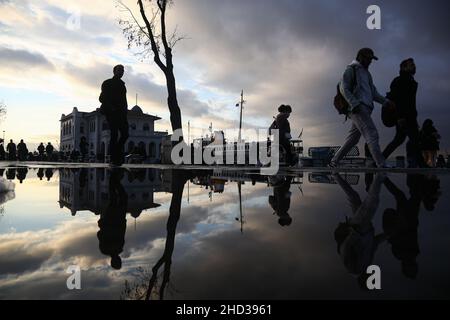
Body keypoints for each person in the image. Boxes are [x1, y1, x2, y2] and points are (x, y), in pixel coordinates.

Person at [329, 48, 393, 168]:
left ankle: (334, 161)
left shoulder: (367, 74)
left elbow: (373, 93)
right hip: (358, 108)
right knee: (372, 133)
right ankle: (381, 164)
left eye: (371, 59)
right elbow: (344, 89)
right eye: (368, 58)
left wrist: (386, 102)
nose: (370, 61)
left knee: (353, 139)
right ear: (360, 57)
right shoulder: (351, 69)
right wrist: (354, 104)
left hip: (366, 108)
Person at [333, 172, 386, 288]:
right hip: (360, 228)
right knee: (354, 197)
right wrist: (387, 235)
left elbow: (345, 248)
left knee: (372, 201)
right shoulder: (364, 266)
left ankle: (380, 173)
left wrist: (354, 233)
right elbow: (373, 245)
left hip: (360, 228)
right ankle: (335, 174)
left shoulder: (355, 268)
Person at [381, 58, 426, 167]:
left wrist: (414, 118)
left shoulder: (411, 81)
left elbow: (411, 102)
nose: (414, 66)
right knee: (415, 139)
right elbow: (399, 100)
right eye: (411, 65)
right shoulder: (400, 80)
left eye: (414, 64)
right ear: (403, 67)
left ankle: (379, 160)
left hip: (409, 116)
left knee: (399, 140)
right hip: (403, 116)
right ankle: (421, 164)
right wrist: (400, 117)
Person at [97, 168, 128, 270]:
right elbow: (99, 235)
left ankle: (114, 179)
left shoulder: (119, 248)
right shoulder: (104, 249)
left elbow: (122, 231)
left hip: (117, 219)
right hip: (109, 220)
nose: (119, 259)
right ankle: (113, 179)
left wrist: (123, 221)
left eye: (118, 261)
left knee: (120, 198)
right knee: (114, 199)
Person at [99, 65, 129, 166]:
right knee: (114, 134)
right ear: (114, 71)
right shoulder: (107, 83)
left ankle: (116, 153)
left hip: (122, 114)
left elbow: (124, 100)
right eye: (119, 70)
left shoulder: (122, 85)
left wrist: (125, 111)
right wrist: (111, 108)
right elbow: (102, 98)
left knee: (125, 134)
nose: (121, 72)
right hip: (112, 113)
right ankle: (114, 157)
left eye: (123, 70)